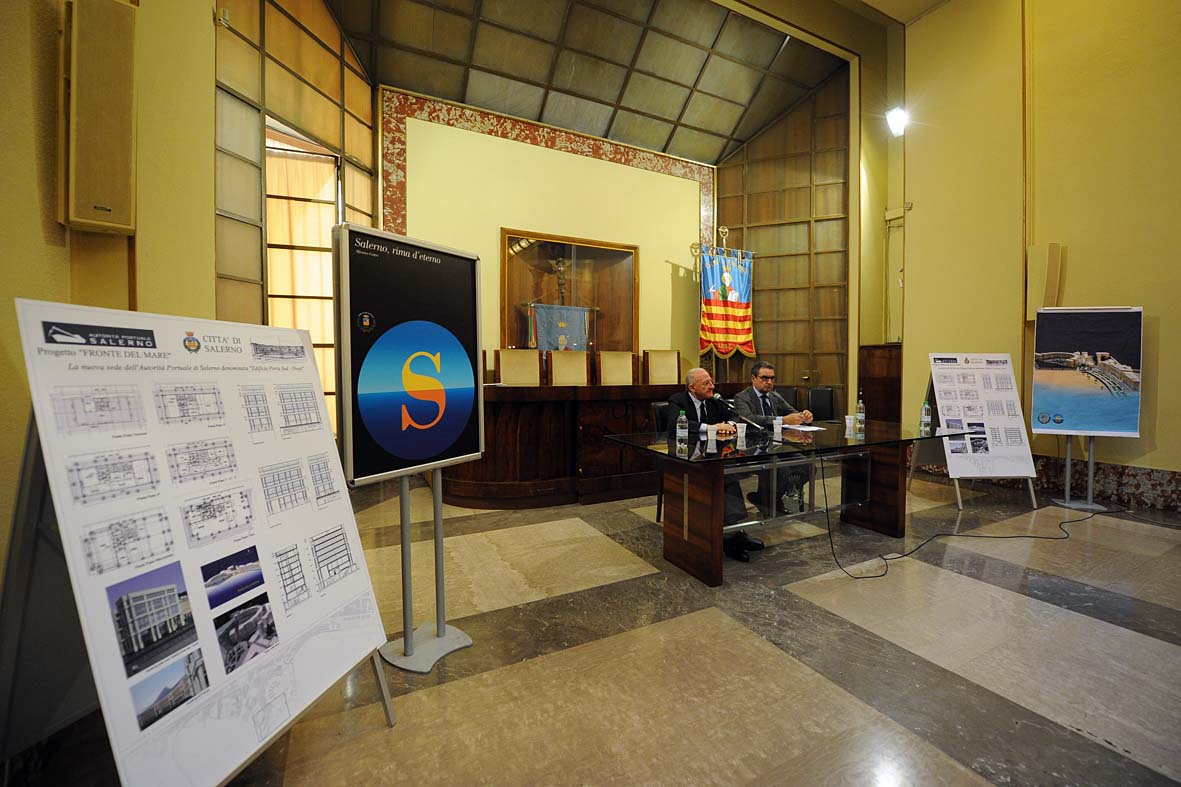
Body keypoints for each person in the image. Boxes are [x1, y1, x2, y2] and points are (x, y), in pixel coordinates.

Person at [666, 368, 760, 562]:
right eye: (706, 383)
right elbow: (676, 424)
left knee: (728, 476)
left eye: (711, 382)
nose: (712, 386)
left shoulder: (714, 400)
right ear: (692, 387)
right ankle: (728, 535)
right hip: (684, 457)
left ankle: (732, 530)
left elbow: (734, 415)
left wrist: (730, 425)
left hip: (711, 455)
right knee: (718, 478)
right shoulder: (678, 400)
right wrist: (711, 428)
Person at [733, 361, 814, 516]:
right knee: (781, 470)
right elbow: (749, 418)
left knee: (808, 466)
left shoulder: (774, 395)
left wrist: (804, 416)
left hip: (778, 442)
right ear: (753, 378)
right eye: (764, 378)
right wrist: (782, 420)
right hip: (753, 444)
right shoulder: (742, 397)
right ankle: (772, 502)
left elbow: (791, 412)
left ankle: (767, 497)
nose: (769, 382)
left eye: (772, 378)